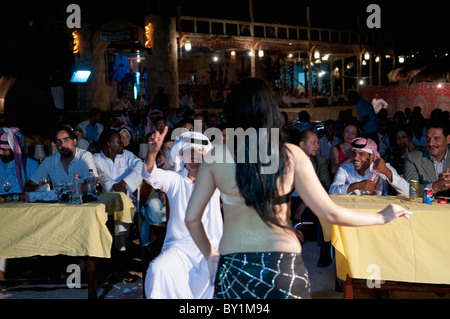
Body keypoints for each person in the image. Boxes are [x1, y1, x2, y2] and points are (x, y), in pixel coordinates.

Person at [184, 78, 412, 300]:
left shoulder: (216, 157)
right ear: (271, 112)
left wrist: (210, 256)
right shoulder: (291, 154)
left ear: (232, 113)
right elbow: (330, 212)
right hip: (282, 264)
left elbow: (192, 219)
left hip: (234, 265)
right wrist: (382, 217)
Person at [142, 130, 223, 299]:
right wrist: (152, 153)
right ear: (181, 156)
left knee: (225, 272)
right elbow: (151, 175)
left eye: (199, 151)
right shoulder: (175, 179)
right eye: (189, 151)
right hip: (179, 247)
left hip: (212, 246)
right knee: (159, 270)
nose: (194, 156)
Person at [93, 129, 143, 251]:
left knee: (123, 204)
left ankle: (121, 251)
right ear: (109, 144)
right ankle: (111, 252)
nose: (122, 143)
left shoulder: (127, 155)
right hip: (105, 202)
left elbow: (141, 166)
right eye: (119, 141)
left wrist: (124, 183)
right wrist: (115, 186)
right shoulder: (95, 158)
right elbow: (100, 175)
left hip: (127, 200)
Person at [289, 129, 333, 267]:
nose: (318, 146)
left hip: (311, 201)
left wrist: (304, 204)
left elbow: (323, 186)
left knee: (323, 214)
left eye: (318, 143)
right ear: (302, 144)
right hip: (289, 200)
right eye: (313, 143)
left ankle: (325, 253)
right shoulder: (288, 161)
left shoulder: (320, 162)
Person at [0, 127, 39, 280]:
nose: (2, 153)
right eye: (0, 149)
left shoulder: (31, 165)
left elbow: (39, 191)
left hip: (25, 216)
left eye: (6, 150)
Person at [24, 126, 98, 192]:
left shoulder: (84, 156)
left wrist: (63, 189)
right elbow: (28, 186)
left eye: (66, 140)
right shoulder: (49, 161)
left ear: (75, 141)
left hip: (81, 204)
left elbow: (91, 185)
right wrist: (41, 188)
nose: (62, 145)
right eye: (59, 142)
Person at [329, 137, 409, 196]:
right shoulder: (345, 169)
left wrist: (387, 172)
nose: (356, 158)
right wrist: (356, 186)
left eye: (361, 154)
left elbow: (408, 191)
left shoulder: (383, 167)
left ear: (371, 157)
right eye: (354, 154)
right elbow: (332, 191)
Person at [403, 120, 450, 198]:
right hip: (423, 208)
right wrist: (434, 187)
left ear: (448, 139)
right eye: (428, 138)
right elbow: (409, 188)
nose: (431, 143)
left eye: (436, 138)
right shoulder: (413, 158)